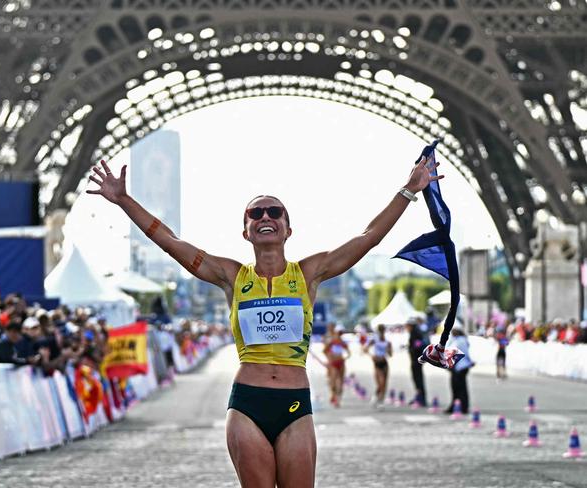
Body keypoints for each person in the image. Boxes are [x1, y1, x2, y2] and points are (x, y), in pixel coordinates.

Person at [86, 154, 441, 487]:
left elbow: (368, 237)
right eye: (255, 214)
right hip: (247, 405)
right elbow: (168, 240)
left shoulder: (309, 273)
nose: (265, 217)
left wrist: (409, 190)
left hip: (294, 404)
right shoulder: (230, 275)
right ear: (246, 232)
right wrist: (124, 200)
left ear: (288, 230)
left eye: (275, 212)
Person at [445, 326, 473, 414]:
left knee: (459, 388)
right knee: (457, 388)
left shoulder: (460, 340)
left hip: (460, 367)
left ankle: (461, 406)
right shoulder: (457, 339)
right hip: (458, 366)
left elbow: (463, 353)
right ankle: (458, 405)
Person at [365, 324, 392, 407]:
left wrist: (388, 350)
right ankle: (376, 397)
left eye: (382, 330)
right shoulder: (374, 340)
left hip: (384, 362)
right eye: (380, 330)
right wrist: (372, 356)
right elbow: (365, 349)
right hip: (377, 363)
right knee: (381, 383)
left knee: (384, 384)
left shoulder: (387, 341)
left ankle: (381, 400)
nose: (381, 332)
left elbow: (390, 354)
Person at [323, 324, 350, 407]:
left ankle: (338, 400)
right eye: (339, 333)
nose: (340, 334)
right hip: (333, 364)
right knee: (333, 381)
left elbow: (349, 353)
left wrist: (345, 358)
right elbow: (324, 351)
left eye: (341, 333)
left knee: (341, 382)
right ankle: (333, 395)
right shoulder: (332, 341)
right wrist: (329, 359)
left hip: (341, 363)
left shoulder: (342, 342)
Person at [405, 317, 427, 407]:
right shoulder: (414, 333)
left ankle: (421, 399)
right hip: (416, 360)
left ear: (411, 326)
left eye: (407, 326)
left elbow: (417, 347)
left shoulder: (416, 334)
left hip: (416, 361)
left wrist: (411, 349)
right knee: (417, 379)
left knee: (418, 379)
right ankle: (419, 397)